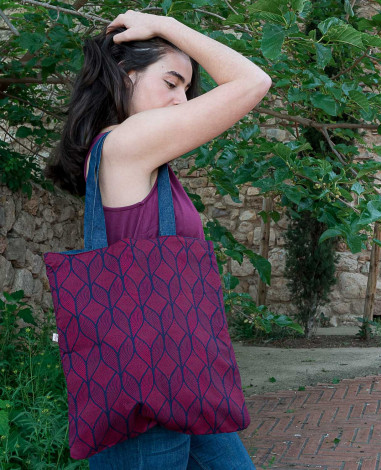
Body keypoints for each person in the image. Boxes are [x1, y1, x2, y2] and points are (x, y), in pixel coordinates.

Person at [45, 9, 271, 470]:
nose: (181, 101)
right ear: (125, 74)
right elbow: (252, 81)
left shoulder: (135, 154)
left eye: (186, 90)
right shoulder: (127, 143)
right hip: (149, 387)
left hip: (179, 377)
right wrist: (165, 24)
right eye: (171, 83)